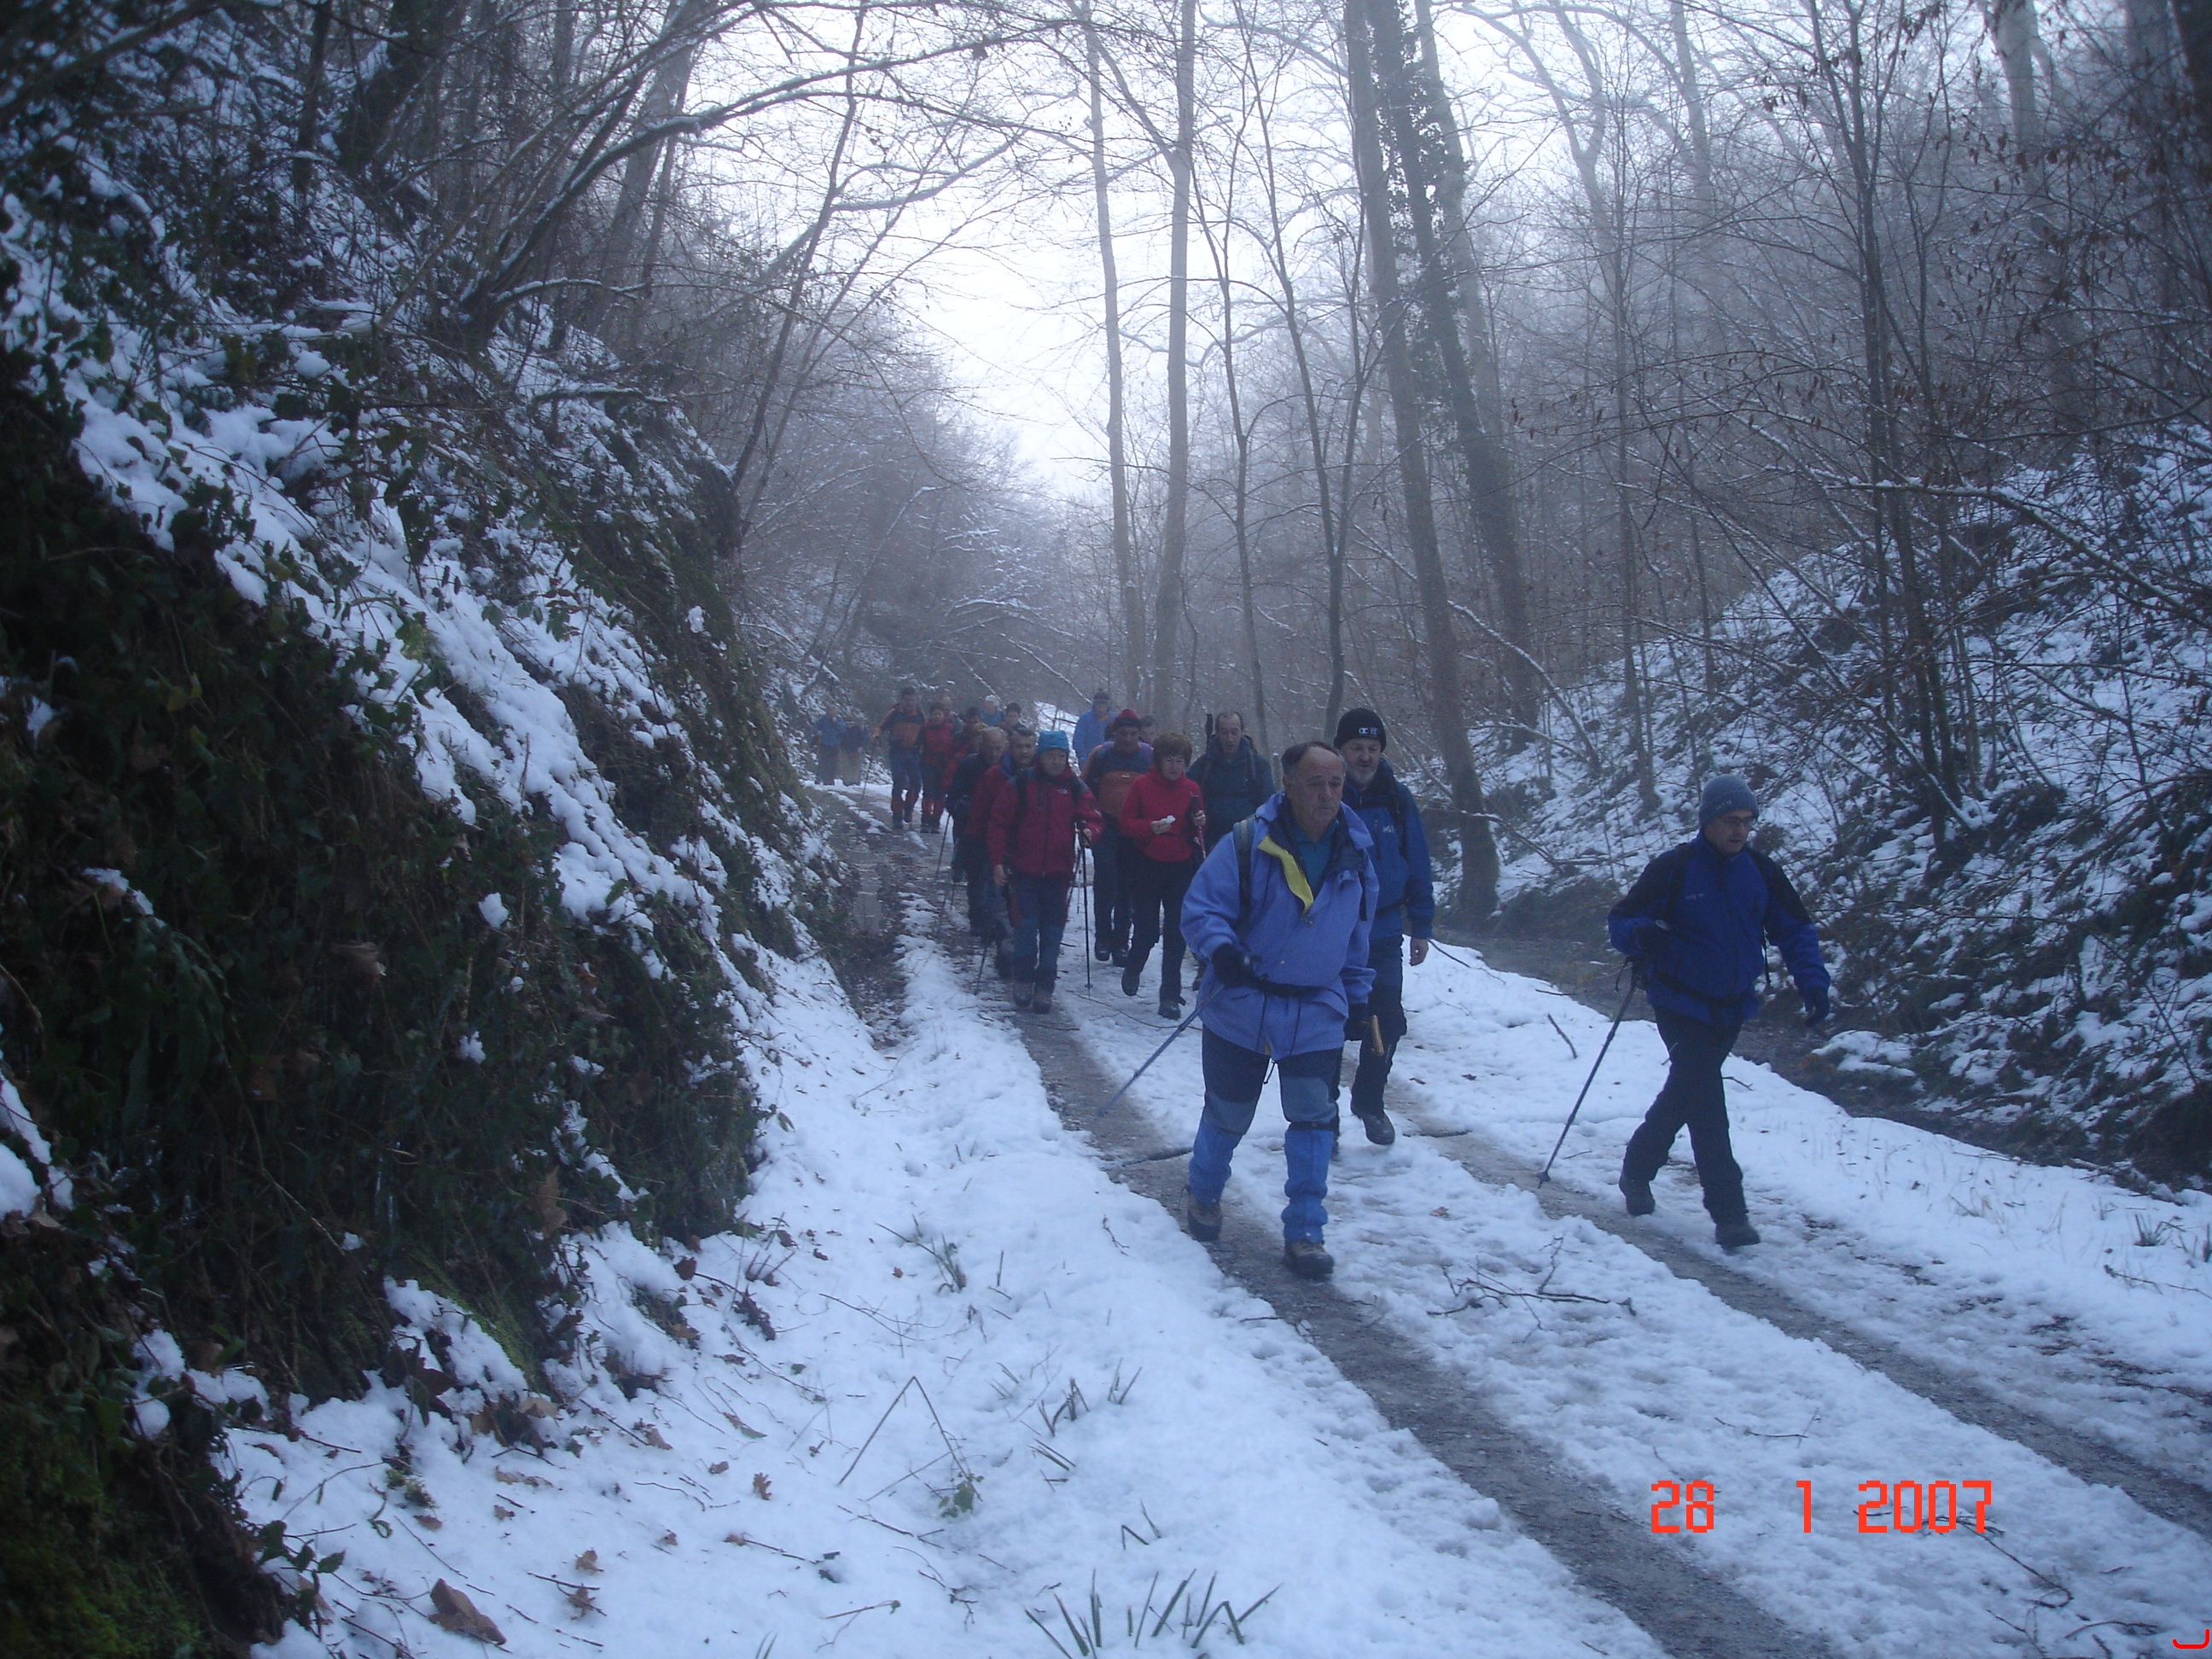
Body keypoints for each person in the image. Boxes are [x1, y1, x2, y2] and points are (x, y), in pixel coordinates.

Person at [1608, 774, 1831, 1250]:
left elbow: (1795, 929)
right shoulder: (1675, 868)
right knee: (1707, 1101)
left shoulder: (1761, 871)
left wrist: (1813, 981)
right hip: (1679, 1001)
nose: (1740, 830)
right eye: (1731, 820)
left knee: (1686, 1091)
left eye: (1747, 821)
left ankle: (1637, 1168)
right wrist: (1643, 935)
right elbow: (1622, 920)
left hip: (1731, 1005)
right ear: (1708, 820)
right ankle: (1730, 1214)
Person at [1179, 742, 1377, 1281]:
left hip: (1316, 1010)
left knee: (1314, 1121)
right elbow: (1201, 908)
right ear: (1287, 785)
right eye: (1315, 783)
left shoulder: (1356, 852)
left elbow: (1359, 936)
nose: (1327, 794)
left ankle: (1306, 1232)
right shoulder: (1247, 841)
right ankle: (1204, 1192)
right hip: (1241, 1004)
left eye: (1335, 783)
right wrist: (1222, 950)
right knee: (1228, 1114)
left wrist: (1359, 998)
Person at [1331, 709, 1434, 1147]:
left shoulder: (1396, 798)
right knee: (1329, 1023)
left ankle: (1370, 1101)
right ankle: (1322, 1114)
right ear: (1341, 750)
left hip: (1385, 929)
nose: (1365, 757)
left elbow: (1418, 859)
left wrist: (1422, 924)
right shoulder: (1325, 794)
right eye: (1357, 748)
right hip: (1331, 932)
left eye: (1373, 749)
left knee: (1388, 1020)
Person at [988, 730, 1103, 1014]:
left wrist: (1090, 832)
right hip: (1024, 871)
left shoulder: (1074, 787)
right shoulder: (1021, 783)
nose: (1055, 761)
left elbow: (1092, 816)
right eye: (1051, 755)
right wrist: (997, 861)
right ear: (1041, 755)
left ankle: (1045, 986)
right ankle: (1023, 979)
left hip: (1059, 874)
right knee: (1025, 929)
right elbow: (998, 823)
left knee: (1052, 933)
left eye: (1060, 756)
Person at [1118, 732, 1206, 1017]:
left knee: (1176, 932)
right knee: (1147, 930)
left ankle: (1169, 994)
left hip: (1181, 865)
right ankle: (1134, 964)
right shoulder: (1142, 785)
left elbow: (1198, 825)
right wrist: (1149, 828)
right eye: (1169, 760)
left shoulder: (1191, 789)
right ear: (1158, 760)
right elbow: (1126, 823)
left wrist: (1199, 820)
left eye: (1180, 761)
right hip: (1148, 864)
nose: (1174, 767)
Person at [1082, 711, 1153, 963]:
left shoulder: (1148, 758)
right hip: (1105, 826)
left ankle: (1121, 941)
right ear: (1115, 733)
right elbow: (1084, 789)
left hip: (1134, 830)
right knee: (1106, 878)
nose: (1128, 739)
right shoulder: (1101, 755)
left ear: (1139, 734)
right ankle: (1102, 937)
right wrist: (1084, 820)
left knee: (1127, 886)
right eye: (1123, 733)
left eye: (1133, 734)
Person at [972, 725, 1037, 977]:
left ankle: (1022, 951)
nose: (1024, 752)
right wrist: (978, 845)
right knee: (1000, 901)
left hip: (1031, 852)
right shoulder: (994, 776)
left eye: (1028, 746)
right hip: (999, 848)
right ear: (1010, 747)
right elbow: (980, 814)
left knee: (1025, 904)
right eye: (1019, 746)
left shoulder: (1044, 777)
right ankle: (1006, 952)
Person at [947, 726, 1007, 935]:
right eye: (990, 747)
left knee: (996, 876)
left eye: (998, 748)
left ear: (1005, 747)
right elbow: (952, 797)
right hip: (973, 830)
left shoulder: (1010, 767)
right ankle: (977, 918)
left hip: (1000, 831)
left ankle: (994, 918)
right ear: (981, 746)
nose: (994, 753)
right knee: (975, 875)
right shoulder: (969, 765)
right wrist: (960, 808)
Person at [1190, 712, 1270, 853]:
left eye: (1234, 732)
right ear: (1217, 734)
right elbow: (1188, 799)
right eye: (1224, 733)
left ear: (1242, 732)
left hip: (1249, 841)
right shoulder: (1203, 766)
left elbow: (1269, 807)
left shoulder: (1258, 766)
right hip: (1211, 841)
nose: (1229, 739)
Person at [875, 688, 927, 829]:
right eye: (907, 700)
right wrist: (877, 735)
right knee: (898, 782)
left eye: (912, 700)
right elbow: (881, 727)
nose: (910, 703)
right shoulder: (895, 713)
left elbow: (925, 732)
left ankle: (908, 807)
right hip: (897, 752)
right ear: (902, 700)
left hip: (914, 753)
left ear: (916, 700)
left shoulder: (920, 715)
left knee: (916, 783)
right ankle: (897, 815)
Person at [919, 703, 961, 833]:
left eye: (940, 714)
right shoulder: (925, 729)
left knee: (940, 793)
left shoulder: (951, 729)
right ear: (931, 715)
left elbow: (955, 746)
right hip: (928, 763)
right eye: (935, 714)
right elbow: (919, 745)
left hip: (944, 765)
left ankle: (936, 821)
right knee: (928, 791)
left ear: (944, 716)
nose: (937, 717)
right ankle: (926, 819)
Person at [1072, 691, 1112, 765]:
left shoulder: (1113, 719)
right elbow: (1078, 739)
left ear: (1107, 705)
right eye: (1098, 704)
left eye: (1104, 704)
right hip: (1088, 759)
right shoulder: (1085, 718)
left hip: (1109, 760)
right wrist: (1082, 757)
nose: (1101, 707)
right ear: (1094, 704)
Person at [812, 708, 843, 786]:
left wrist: (836, 722)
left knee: (833, 764)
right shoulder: (824, 719)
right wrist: (817, 731)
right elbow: (815, 727)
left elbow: (843, 730)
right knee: (823, 762)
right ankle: (821, 778)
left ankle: (830, 780)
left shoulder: (839, 720)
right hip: (824, 744)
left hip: (835, 745)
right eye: (831, 712)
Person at [838, 713, 867, 785]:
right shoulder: (843, 730)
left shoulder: (857, 729)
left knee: (856, 766)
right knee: (846, 766)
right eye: (848, 723)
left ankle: (854, 781)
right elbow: (840, 738)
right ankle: (846, 781)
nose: (849, 725)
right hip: (845, 750)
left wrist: (861, 747)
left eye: (851, 723)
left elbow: (862, 739)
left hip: (856, 750)